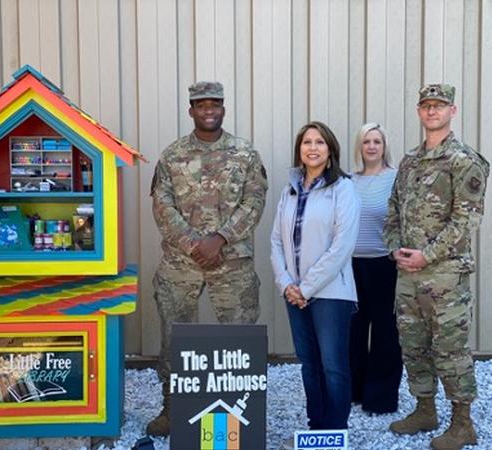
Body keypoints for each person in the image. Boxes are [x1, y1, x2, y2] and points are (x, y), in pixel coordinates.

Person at [148, 81, 268, 436]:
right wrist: (193, 244)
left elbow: (255, 202)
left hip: (232, 264)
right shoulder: (172, 156)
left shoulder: (245, 153)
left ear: (224, 109)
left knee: (239, 342)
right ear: (191, 111)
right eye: (202, 105)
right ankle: (173, 409)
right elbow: (162, 206)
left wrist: (220, 238)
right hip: (180, 265)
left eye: (215, 103)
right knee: (174, 337)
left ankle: (240, 416)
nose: (209, 110)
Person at [384, 84, 489, 450]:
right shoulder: (410, 161)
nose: (432, 111)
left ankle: (463, 423)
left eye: (439, 106)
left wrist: (427, 255)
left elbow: (466, 221)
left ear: (452, 111)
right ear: (418, 111)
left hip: (444, 276)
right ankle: (425, 408)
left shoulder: (464, 161)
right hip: (407, 274)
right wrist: (395, 248)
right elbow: (393, 210)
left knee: (450, 348)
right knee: (413, 345)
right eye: (426, 106)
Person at [270, 121, 360, 445]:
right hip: (293, 293)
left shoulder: (343, 188)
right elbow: (277, 241)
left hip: (331, 292)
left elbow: (342, 246)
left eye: (319, 142)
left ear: (330, 149)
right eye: (306, 142)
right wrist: (285, 284)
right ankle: (316, 427)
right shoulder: (289, 190)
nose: (312, 147)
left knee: (333, 365)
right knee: (309, 364)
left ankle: (335, 432)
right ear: (299, 149)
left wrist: (305, 288)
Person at [349, 123, 402, 414]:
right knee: (353, 331)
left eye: (377, 142)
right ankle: (353, 391)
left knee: (385, 332)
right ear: (360, 146)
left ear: (384, 147)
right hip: (351, 266)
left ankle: (380, 398)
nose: (371, 146)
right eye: (366, 141)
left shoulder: (395, 178)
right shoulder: (348, 180)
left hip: (385, 264)